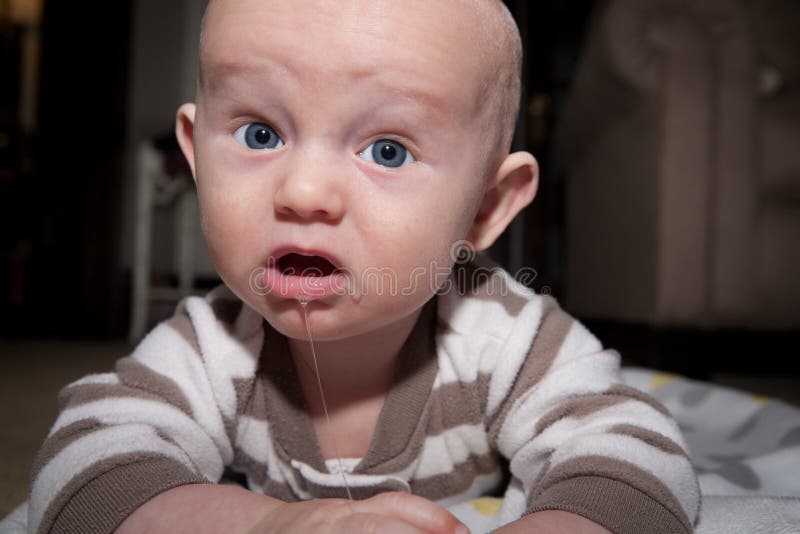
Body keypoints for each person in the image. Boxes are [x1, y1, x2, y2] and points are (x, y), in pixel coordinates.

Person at [29, 0, 700, 532]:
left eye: (387, 150)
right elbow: (82, 469)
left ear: (485, 207)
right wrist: (261, 523)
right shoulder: (210, 347)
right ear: (197, 158)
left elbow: (636, 455)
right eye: (261, 134)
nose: (303, 193)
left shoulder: (507, 338)